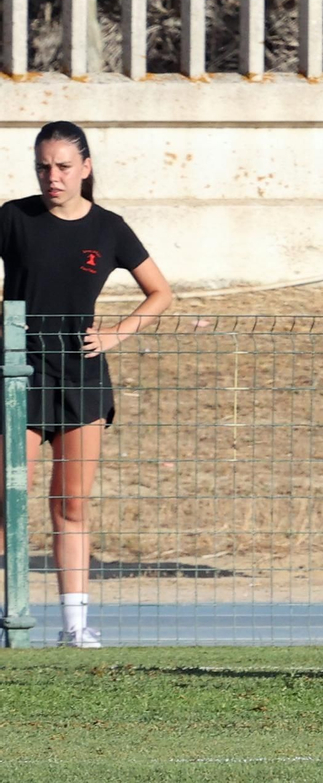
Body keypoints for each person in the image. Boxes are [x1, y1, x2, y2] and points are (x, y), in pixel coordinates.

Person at [0, 121, 173, 647]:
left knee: (71, 505)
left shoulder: (109, 229)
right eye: (43, 167)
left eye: (63, 166)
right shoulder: (14, 218)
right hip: (19, 377)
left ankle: (75, 628)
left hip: (82, 380)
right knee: (7, 502)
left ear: (86, 168)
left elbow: (160, 293)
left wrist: (117, 335)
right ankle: (8, 619)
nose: (52, 176)